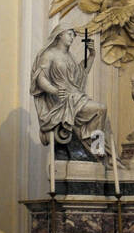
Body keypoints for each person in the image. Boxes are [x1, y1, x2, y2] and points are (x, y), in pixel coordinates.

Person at [30, 26, 111, 156]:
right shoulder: (49, 54)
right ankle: (95, 148)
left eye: (73, 35)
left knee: (102, 115)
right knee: (100, 109)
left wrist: (92, 55)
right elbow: (41, 78)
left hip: (75, 96)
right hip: (63, 100)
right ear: (59, 35)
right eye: (69, 34)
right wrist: (54, 90)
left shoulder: (70, 57)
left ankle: (92, 148)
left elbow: (81, 74)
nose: (72, 38)